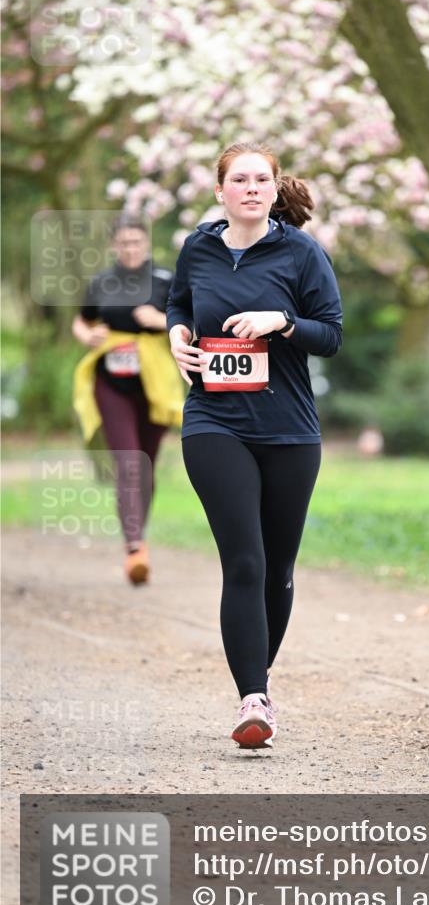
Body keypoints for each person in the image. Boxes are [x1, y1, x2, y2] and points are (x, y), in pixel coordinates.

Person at [167, 141, 343, 750]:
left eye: (260, 179)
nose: (250, 188)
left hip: (290, 430)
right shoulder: (199, 248)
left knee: (278, 568)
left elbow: (332, 335)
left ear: (273, 189)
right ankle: (254, 699)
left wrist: (281, 322)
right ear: (220, 192)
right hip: (214, 421)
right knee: (244, 560)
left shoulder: (301, 253)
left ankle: (258, 683)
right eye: (238, 179)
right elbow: (180, 302)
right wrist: (176, 335)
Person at [72, 215, 182, 585]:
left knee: (146, 467)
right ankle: (134, 547)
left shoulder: (167, 280)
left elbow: (191, 325)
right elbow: (82, 320)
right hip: (111, 383)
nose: (130, 249)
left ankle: (139, 535)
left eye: (136, 242)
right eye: (124, 244)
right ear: (114, 246)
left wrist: (160, 320)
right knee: (129, 464)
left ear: (146, 243)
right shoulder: (102, 282)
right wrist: (85, 336)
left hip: (156, 385)